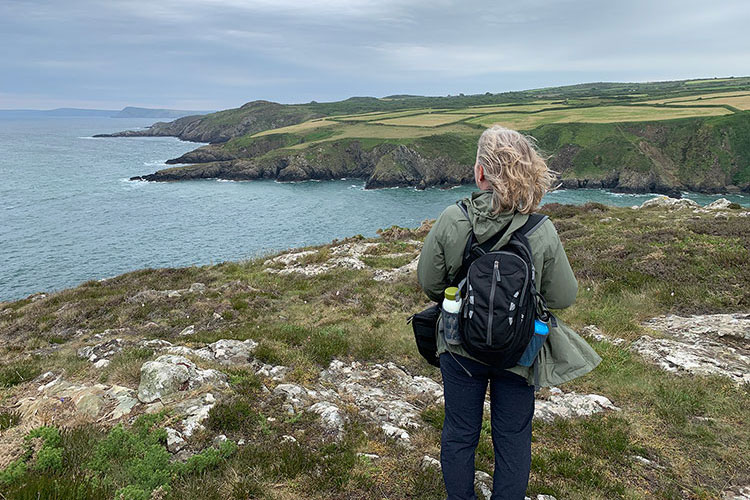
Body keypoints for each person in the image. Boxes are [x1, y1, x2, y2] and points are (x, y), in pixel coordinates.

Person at [417, 125, 601, 500]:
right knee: (513, 437)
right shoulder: (541, 229)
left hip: (459, 346)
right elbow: (563, 296)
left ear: (480, 172)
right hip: (520, 353)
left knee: (459, 432)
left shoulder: (455, 219)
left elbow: (430, 283)